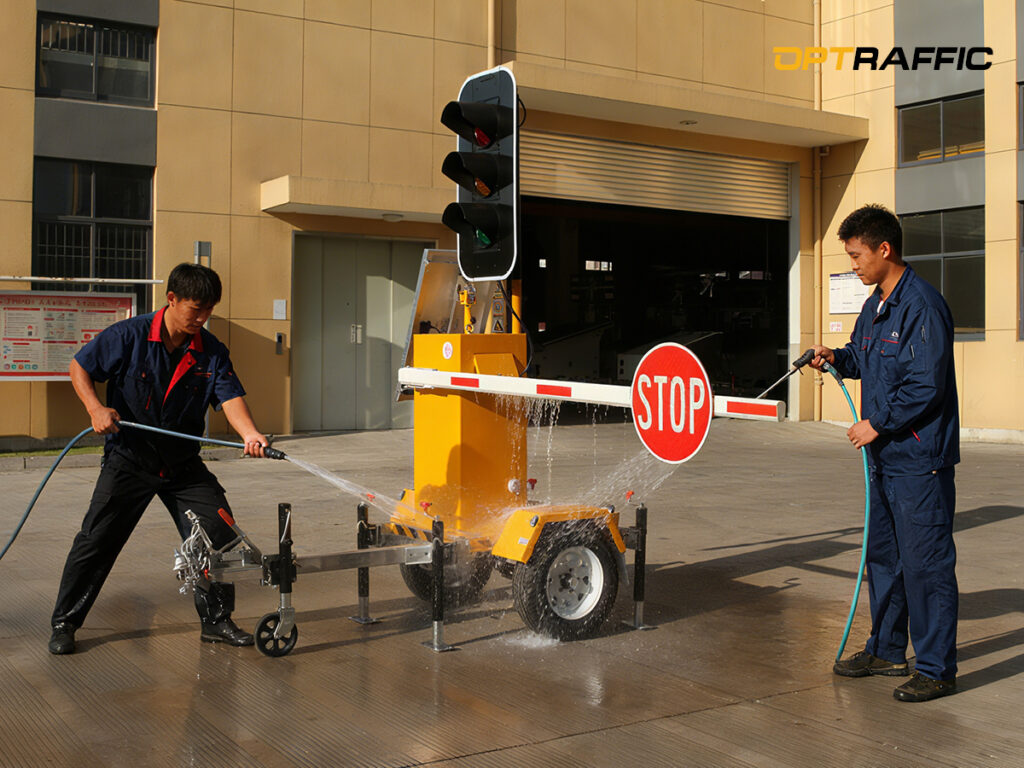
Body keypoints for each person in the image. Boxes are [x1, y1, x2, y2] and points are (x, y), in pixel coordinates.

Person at [49, 263, 273, 655]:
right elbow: (80, 366)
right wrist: (95, 408)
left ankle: (216, 621)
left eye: (209, 311)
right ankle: (65, 622)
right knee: (96, 540)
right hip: (129, 458)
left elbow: (229, 396)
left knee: (216, 534)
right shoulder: (129, 336)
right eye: (195, 309)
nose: (202, 319)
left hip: (182, 464)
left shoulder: (211, 350)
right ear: (171, 299)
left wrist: (249, 433)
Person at [809, 204, 960, 702]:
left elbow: (925, 384)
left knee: (925, 564)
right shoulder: (875, 305)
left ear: (884, 249)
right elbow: (862, 356)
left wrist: (877, 424)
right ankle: (889, 649)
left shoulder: (923, 305)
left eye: (856, 255)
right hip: (883, 460)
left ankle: (937, 669)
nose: (853, 264)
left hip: (918, 458)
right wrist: (836, 357)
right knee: (885, 559)